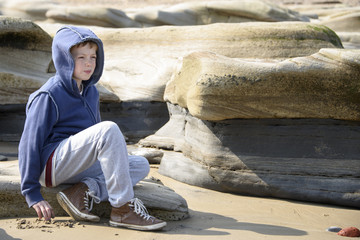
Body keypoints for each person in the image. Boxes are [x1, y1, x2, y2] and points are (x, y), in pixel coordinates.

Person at [18, 26, 166, 231]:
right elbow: (28, 145)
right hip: (51, 166)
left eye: (93, 57)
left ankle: (83, 190)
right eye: (81, 58)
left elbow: (96, 142)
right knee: (109, 129)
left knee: (140, 165)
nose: (89, 63)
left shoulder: (91, 92)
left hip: (77, 162)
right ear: (65, 59)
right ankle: (122, 210)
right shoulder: (48, 96)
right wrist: (31, 193)